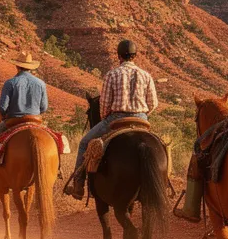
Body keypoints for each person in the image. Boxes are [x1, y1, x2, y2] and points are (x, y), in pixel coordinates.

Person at [63, 39, 159, 200]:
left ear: (119, 56)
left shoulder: (112, 74)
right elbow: (154, 103)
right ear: (135, 56)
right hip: (142, 119)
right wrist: (142, 114)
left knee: (84, 143)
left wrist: (105, 117)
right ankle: (164, 182)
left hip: (117, 118)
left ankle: (78, 185)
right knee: (158, 146)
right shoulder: (146, 75)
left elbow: (105, 104)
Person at [0, 52, 49, 159]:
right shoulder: (41, 83)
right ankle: (58, 170)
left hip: (14, 121)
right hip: (35, 120)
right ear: (31, 67)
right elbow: (44, 107)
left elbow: (2, 107)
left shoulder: (10, 83)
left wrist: (5, 115)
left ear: (17, 66)